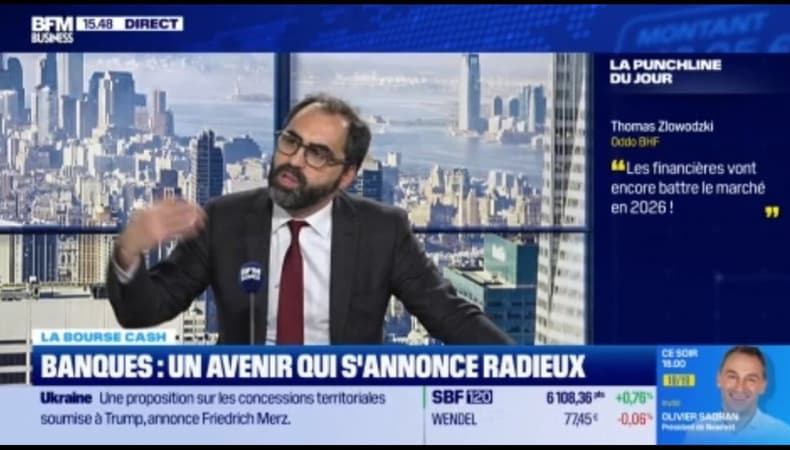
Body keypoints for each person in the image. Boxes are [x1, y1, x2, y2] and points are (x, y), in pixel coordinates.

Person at [106, 93, 515, 346]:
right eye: (291, 142)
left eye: (317, 154)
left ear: (347, 175)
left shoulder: (382, 231)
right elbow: (142, 312)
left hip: (344, 412)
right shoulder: (223, 220)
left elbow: (449, 316)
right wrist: (129, 250)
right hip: (245, 411)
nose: (295, 161)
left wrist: (527, 374)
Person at [684, 346, 790, 444]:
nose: (740, 388)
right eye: (732, 377)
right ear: (718, 379)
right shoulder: (696, 435)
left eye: (751, 379)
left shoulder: (787, 438)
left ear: (763, 386)